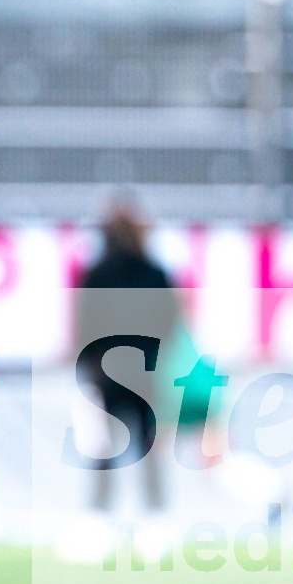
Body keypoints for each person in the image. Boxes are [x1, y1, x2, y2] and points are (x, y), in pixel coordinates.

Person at [73, 200, 186, 513]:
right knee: (147, 444)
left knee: (104, 447)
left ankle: (100, 513)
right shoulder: (154, 273)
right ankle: (155, 513)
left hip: (105, 372)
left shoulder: (97, 274)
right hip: (145, 371)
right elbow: (170, 321)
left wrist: (88, 366)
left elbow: (85, 326)